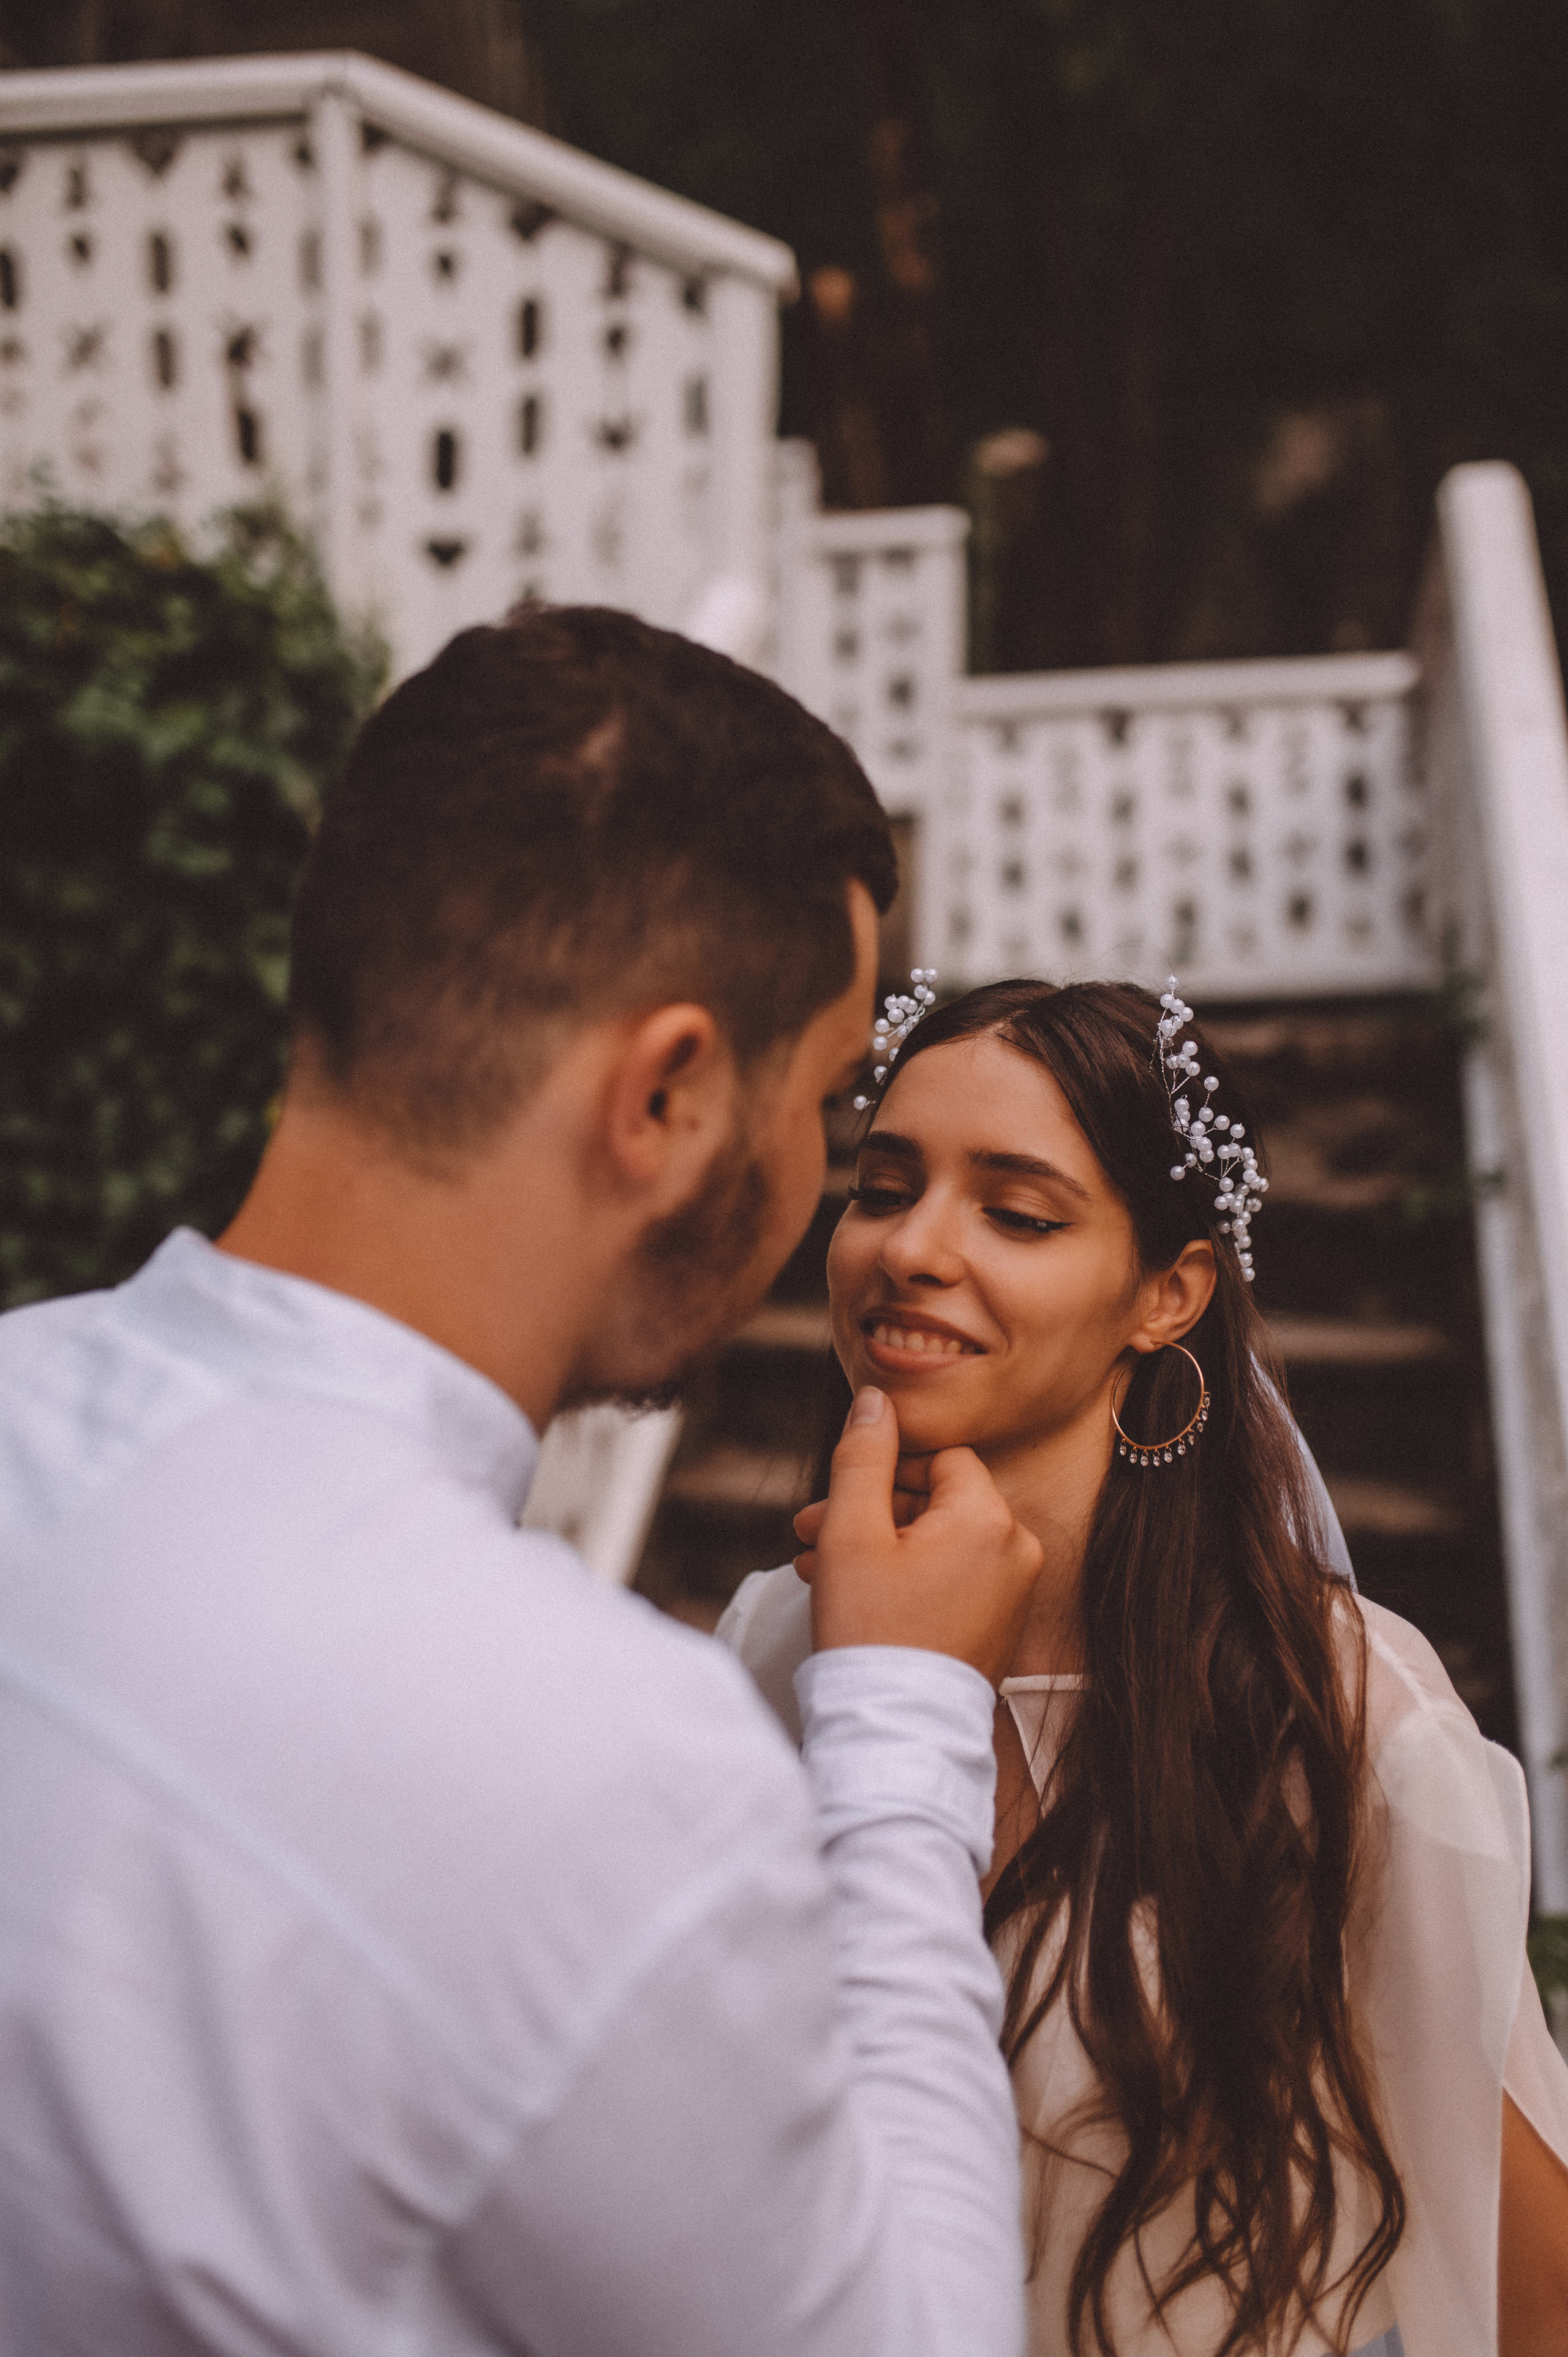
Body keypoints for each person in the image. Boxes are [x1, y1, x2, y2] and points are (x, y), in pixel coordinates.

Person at [0, 607, 1048, 2356]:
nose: (818, 1193)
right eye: (826, 1107)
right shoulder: (614, 1779)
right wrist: (905, 1717)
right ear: (668, 1099)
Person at [720, 976, 1568, 2356]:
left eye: (1016, 1211)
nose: (910, 1247)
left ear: (1165, 1292)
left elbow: (1533, 2289)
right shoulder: (773, 1640)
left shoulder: (1338, 1712)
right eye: (882, 1186)